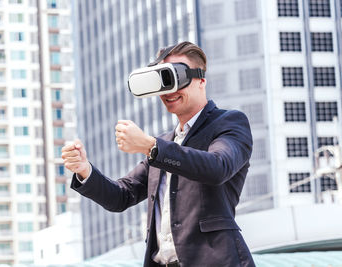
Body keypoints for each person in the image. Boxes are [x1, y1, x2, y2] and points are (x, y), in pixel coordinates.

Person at [62, 41, 255, 267]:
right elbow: (121, 196)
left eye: (178, 78)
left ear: (201, 80)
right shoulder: (164, 143)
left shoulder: (229, 123)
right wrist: (85, 170)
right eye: (164, 81)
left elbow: (218, 167)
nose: (170, 91)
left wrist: (150, 147)